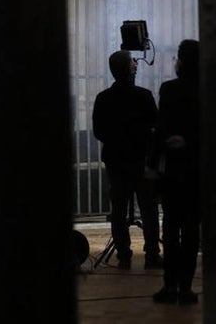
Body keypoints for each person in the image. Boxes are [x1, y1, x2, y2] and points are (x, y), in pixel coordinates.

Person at [92, 50, 161, 270]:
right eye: (133, 62)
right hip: (141, 160)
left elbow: (99, 132)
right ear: (131, 69)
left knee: (119, 210)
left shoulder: (103, 98)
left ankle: (123, 253)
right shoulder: (144, 95)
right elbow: (155, 127)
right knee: (148, 209)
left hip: (116, 161)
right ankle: (151, 254)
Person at [150, 40, 201, 305]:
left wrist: (152, 163)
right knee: (192, 231)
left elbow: (161, 129)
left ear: (180, 61)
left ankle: (169, 285)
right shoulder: (208, 90)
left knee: (170, 229)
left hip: (173, 168)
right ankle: (186, 287)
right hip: (197, 168)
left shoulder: (169, 89)